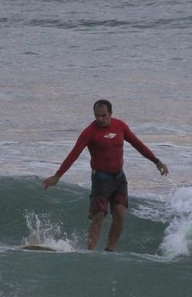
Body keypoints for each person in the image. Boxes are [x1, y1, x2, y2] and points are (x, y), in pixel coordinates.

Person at [42, 99, 169, 251]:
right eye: (97, 116)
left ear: (110, 113)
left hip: (119, 178)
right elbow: (74, 154)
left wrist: (157, 161)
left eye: (103, 115)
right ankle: (90, 251)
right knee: (99, 215)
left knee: (120, 212)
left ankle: (109, 250)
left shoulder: (120, 126)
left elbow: (137, 144)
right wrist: (57, 176)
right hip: (101, 178)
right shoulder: (90, 132)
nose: (100, 119)